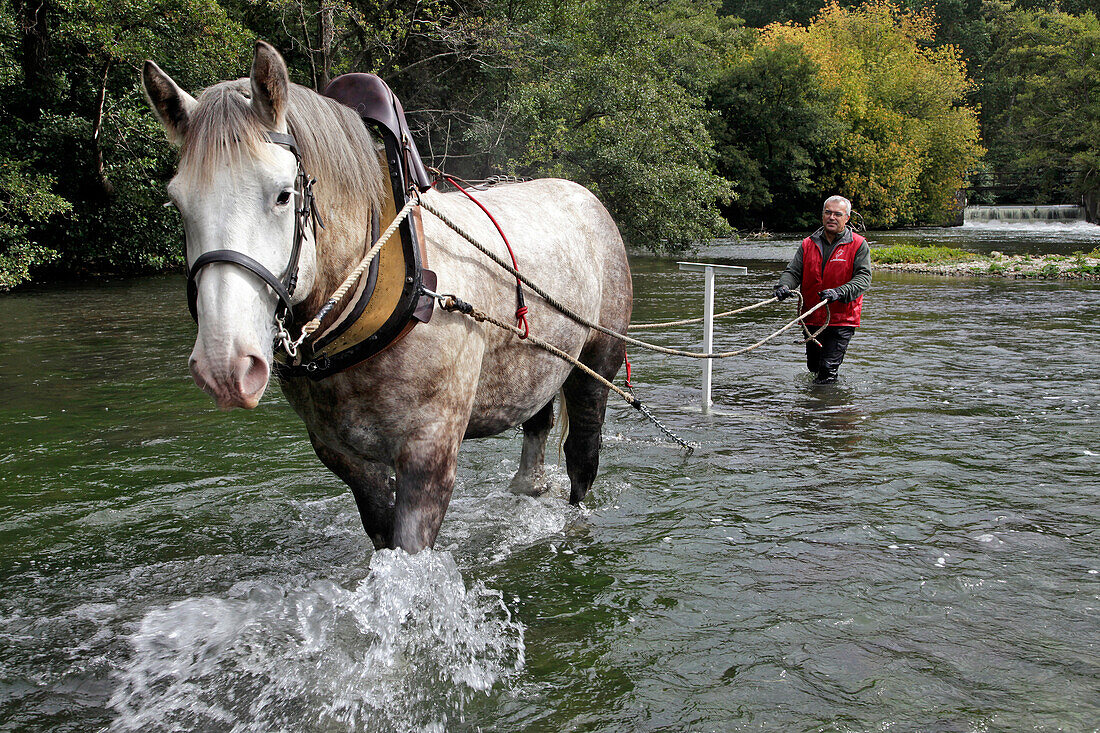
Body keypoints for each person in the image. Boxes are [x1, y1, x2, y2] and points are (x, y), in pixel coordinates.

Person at [773, 195, 871, 384]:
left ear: (847, 218)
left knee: (827, 369)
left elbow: (863, 279)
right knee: (814, 366)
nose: (832, 217)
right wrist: (784, 286)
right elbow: (793, 272)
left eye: (837, 214)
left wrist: (839, 292)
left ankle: (823, 410)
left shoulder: (858, 244)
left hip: (842, 319)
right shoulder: (807, 244)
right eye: (828, 212)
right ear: (822, 215)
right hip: (811, 315)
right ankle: (819, 404)